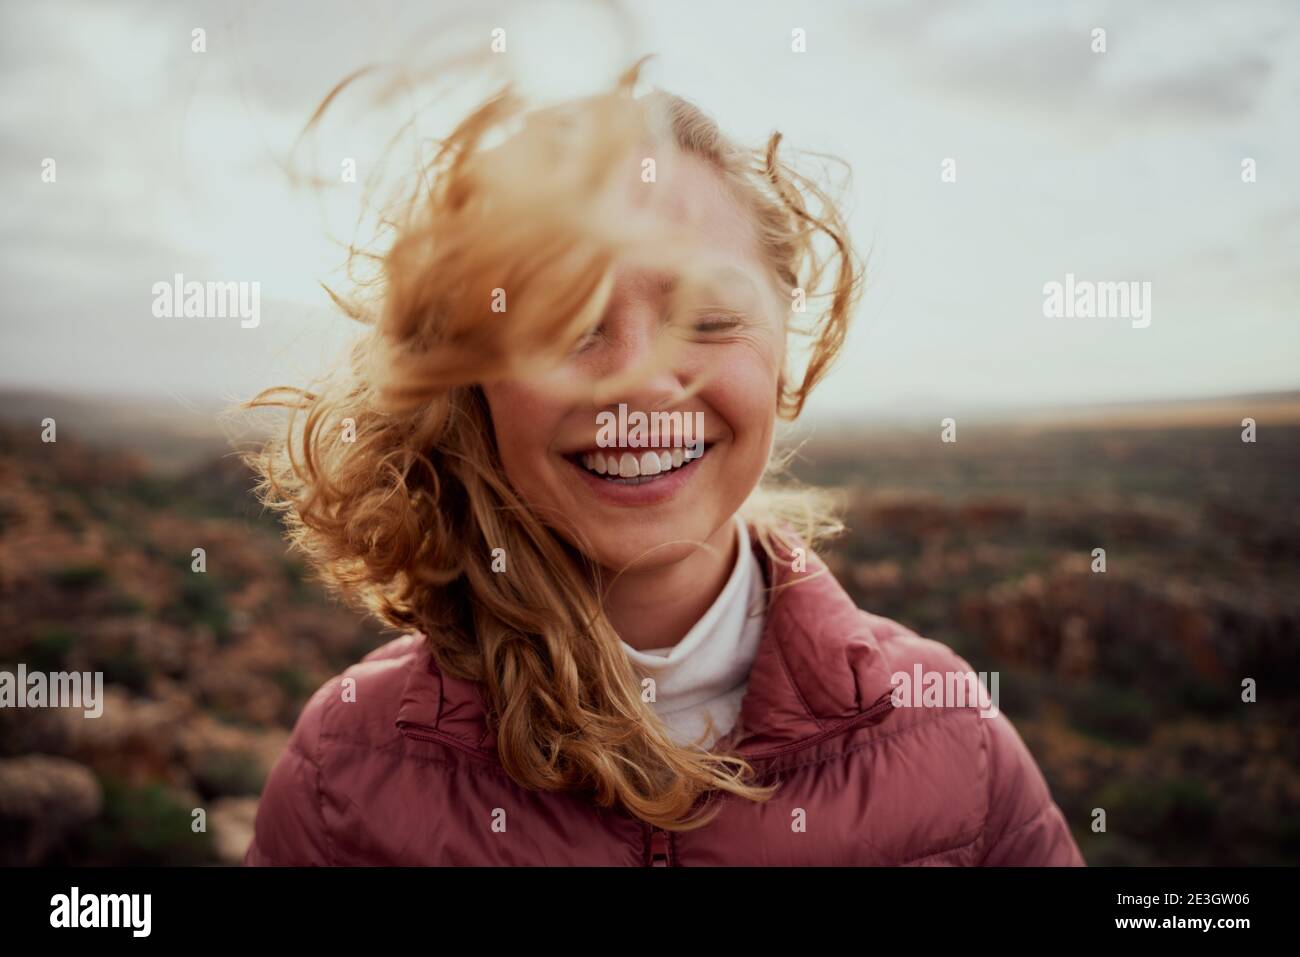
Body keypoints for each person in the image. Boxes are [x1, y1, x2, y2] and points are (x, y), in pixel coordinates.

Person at [242, 68, 1084, 866]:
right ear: (472, 377)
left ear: (783, 352)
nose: (640, 376)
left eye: (710, 318)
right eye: (564, 322)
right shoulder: (345, 771)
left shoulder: (954, 743)